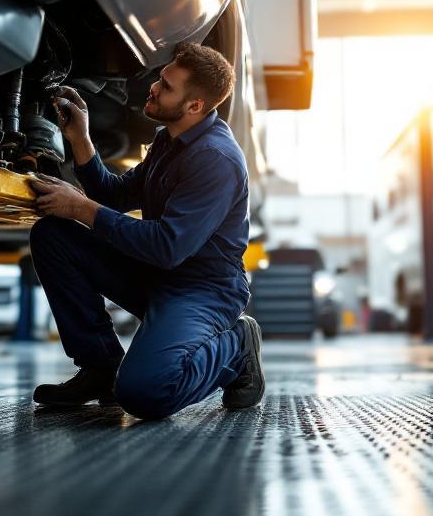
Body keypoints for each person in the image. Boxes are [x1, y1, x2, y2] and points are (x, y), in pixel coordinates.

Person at [27, 42, 263, 420]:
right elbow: (114, 195)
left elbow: (167, 247)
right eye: (161, 77)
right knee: (53, 236)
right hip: (156, 275)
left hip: (202, 290)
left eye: (167, 86)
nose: (154, 86)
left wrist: (82, 208)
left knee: (145, 393)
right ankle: (100, 367)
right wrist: (81, 140)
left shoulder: (215, 159)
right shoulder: (167, 140)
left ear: (195, 106)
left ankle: (237, 347)